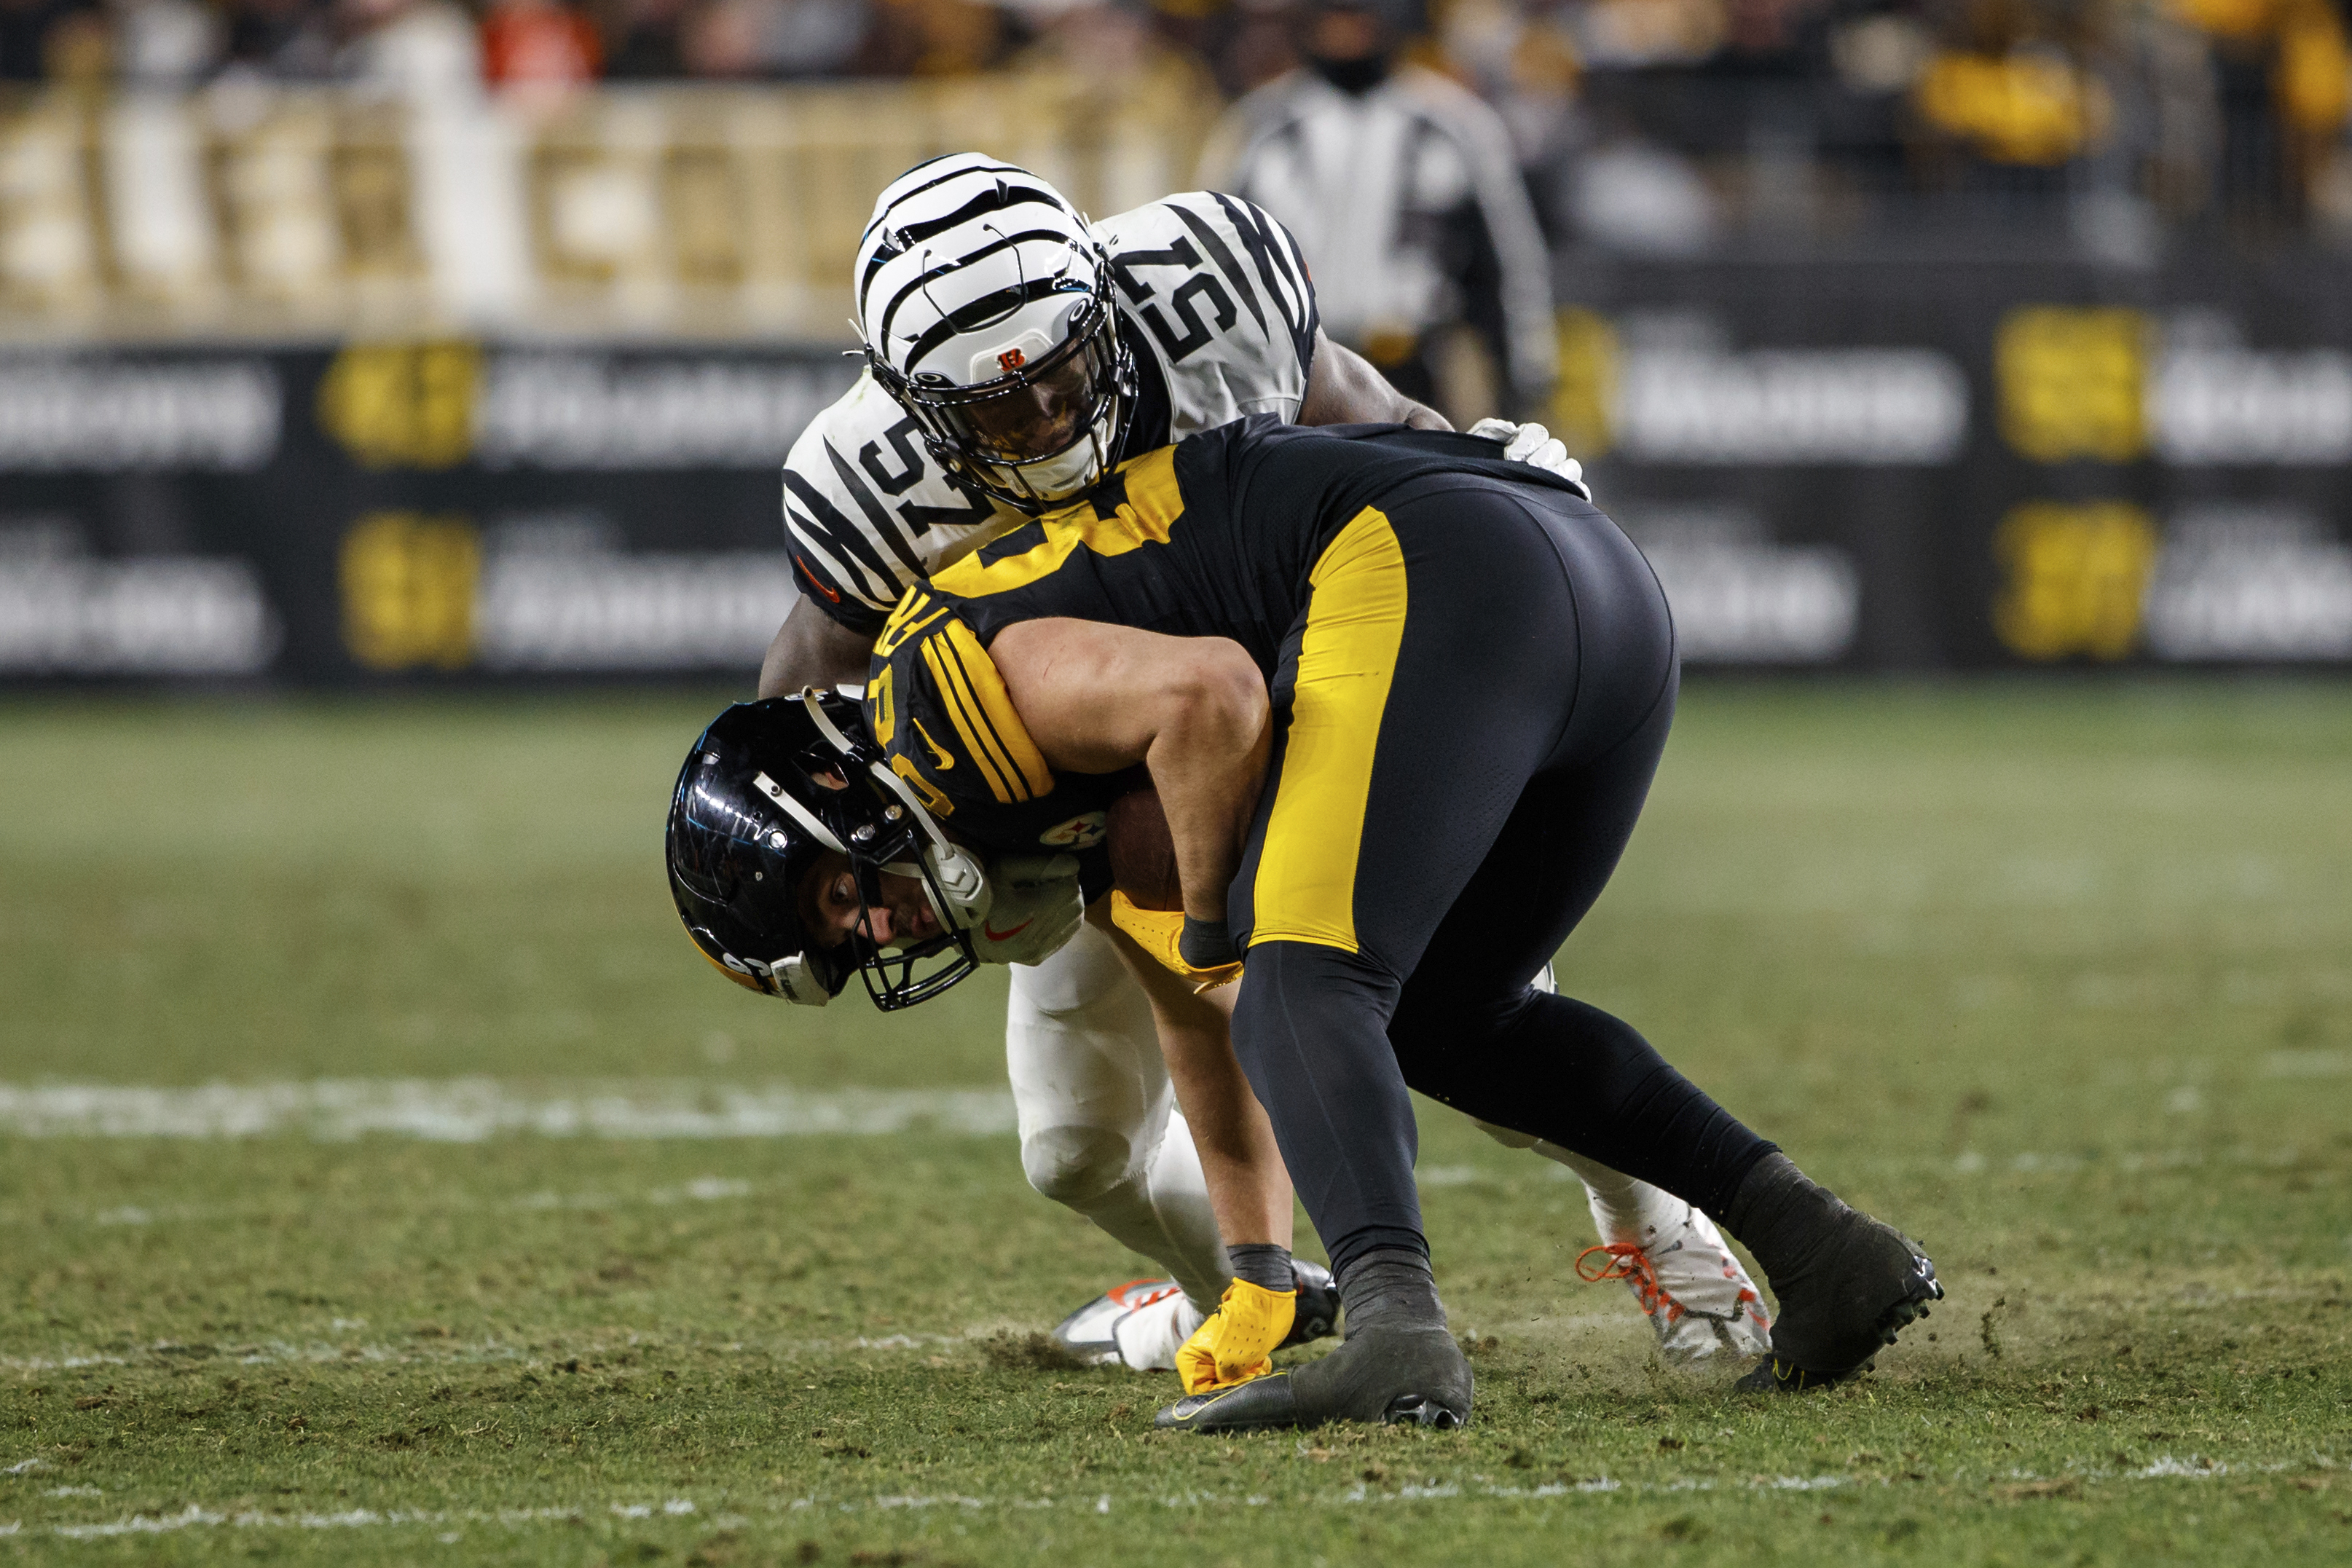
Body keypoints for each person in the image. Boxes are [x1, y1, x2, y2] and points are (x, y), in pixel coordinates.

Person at [669, 415, 1942, 1428]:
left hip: (1441, 568)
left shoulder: (924, 712)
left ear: (825, 789)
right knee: (1453, 1017)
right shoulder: (1017, 819)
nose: (878, 931)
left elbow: (1210, 692)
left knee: (1301, 969)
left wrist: (1228, 916)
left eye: (840, 898)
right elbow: (1192, 1026)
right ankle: (1823, 1248)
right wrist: (1254, 1269)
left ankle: (1394, 1330)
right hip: (1587, 593)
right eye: (848, 950)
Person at [752, 151, 1767, 1376]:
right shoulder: (863, 484)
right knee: (1072, 1148)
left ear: (1103, 307)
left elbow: (1380, 428)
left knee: (1453, 1019)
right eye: (993, 409)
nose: (1043, 423)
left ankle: (1652, 1217)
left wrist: (1480, 461)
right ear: (911, 399)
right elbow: (801, 708)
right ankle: (1242, 1291)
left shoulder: (1207, 287)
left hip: (1300, 710)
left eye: (1063, 373)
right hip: (1081, 800)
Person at [1200, 0, 1559, 419]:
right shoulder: (1260, 127)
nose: (1347, 34)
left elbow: (1506, 267)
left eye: (1361, 19)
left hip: (1412, 366)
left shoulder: (1455, 124)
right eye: (1336, 19)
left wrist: (1523, 382)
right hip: (1294, 368)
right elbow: (1213, 257)